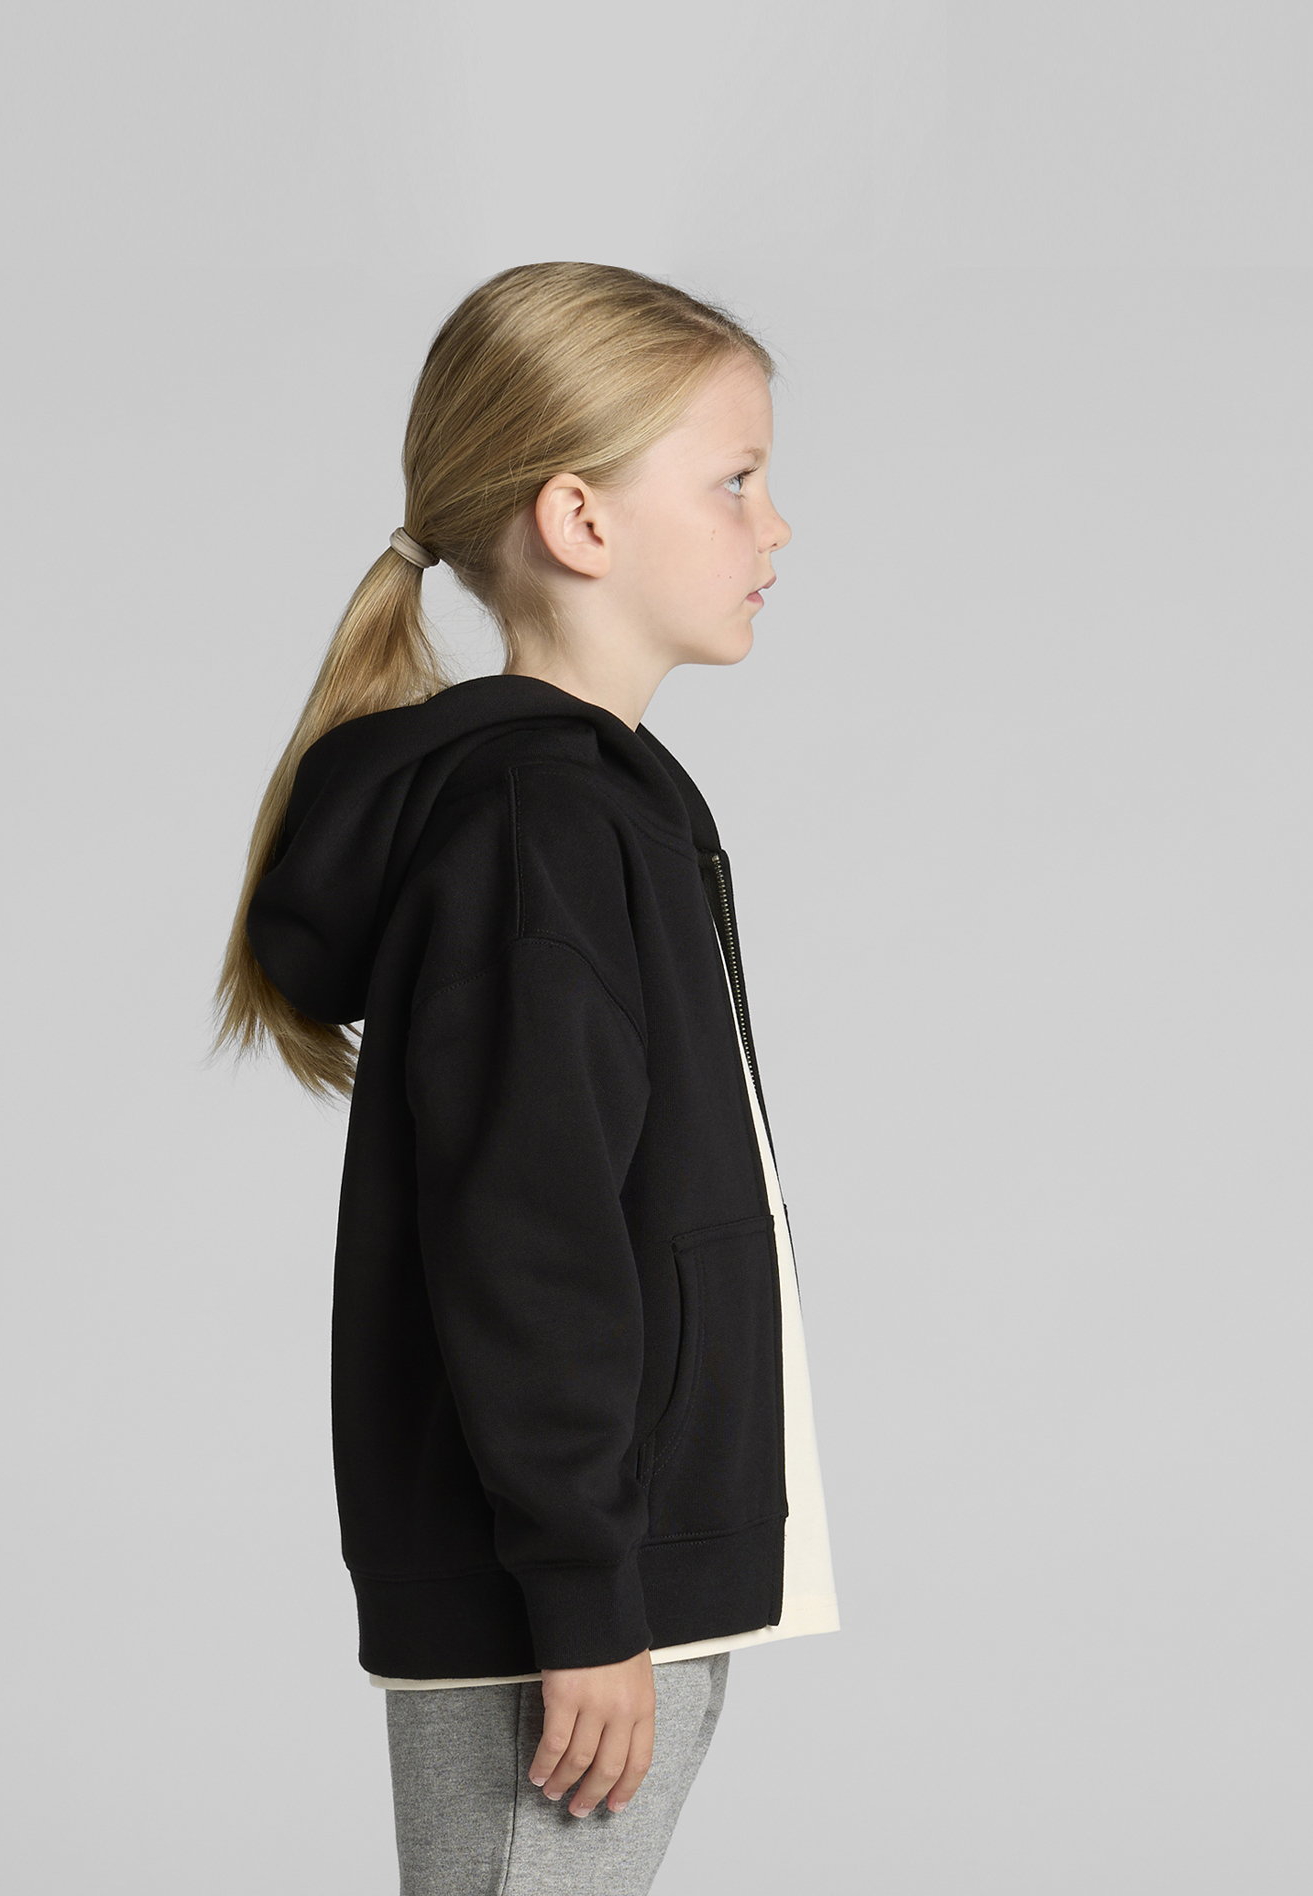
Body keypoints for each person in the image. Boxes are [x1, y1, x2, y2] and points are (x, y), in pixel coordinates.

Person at [215, 261, 839, 1895]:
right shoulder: (531, 825)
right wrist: (584, 1594)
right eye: (736, 481)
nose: (777, 529)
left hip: (612, 1566)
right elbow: (529, 1234)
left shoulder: (597, 805)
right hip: (564, 1592)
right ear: (579, 518)